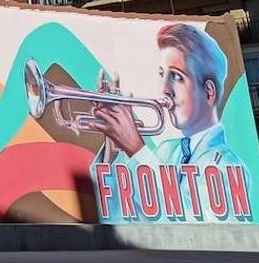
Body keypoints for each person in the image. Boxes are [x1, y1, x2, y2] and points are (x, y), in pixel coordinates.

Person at [91, 23, 248, 221]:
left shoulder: (228, 165)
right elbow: (123, 222)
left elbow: (203, 233)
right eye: (162, 74)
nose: (164, 88)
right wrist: (113, 152)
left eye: (176, 76)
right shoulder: (165, 151)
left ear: (208, 92)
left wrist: (137, 150)